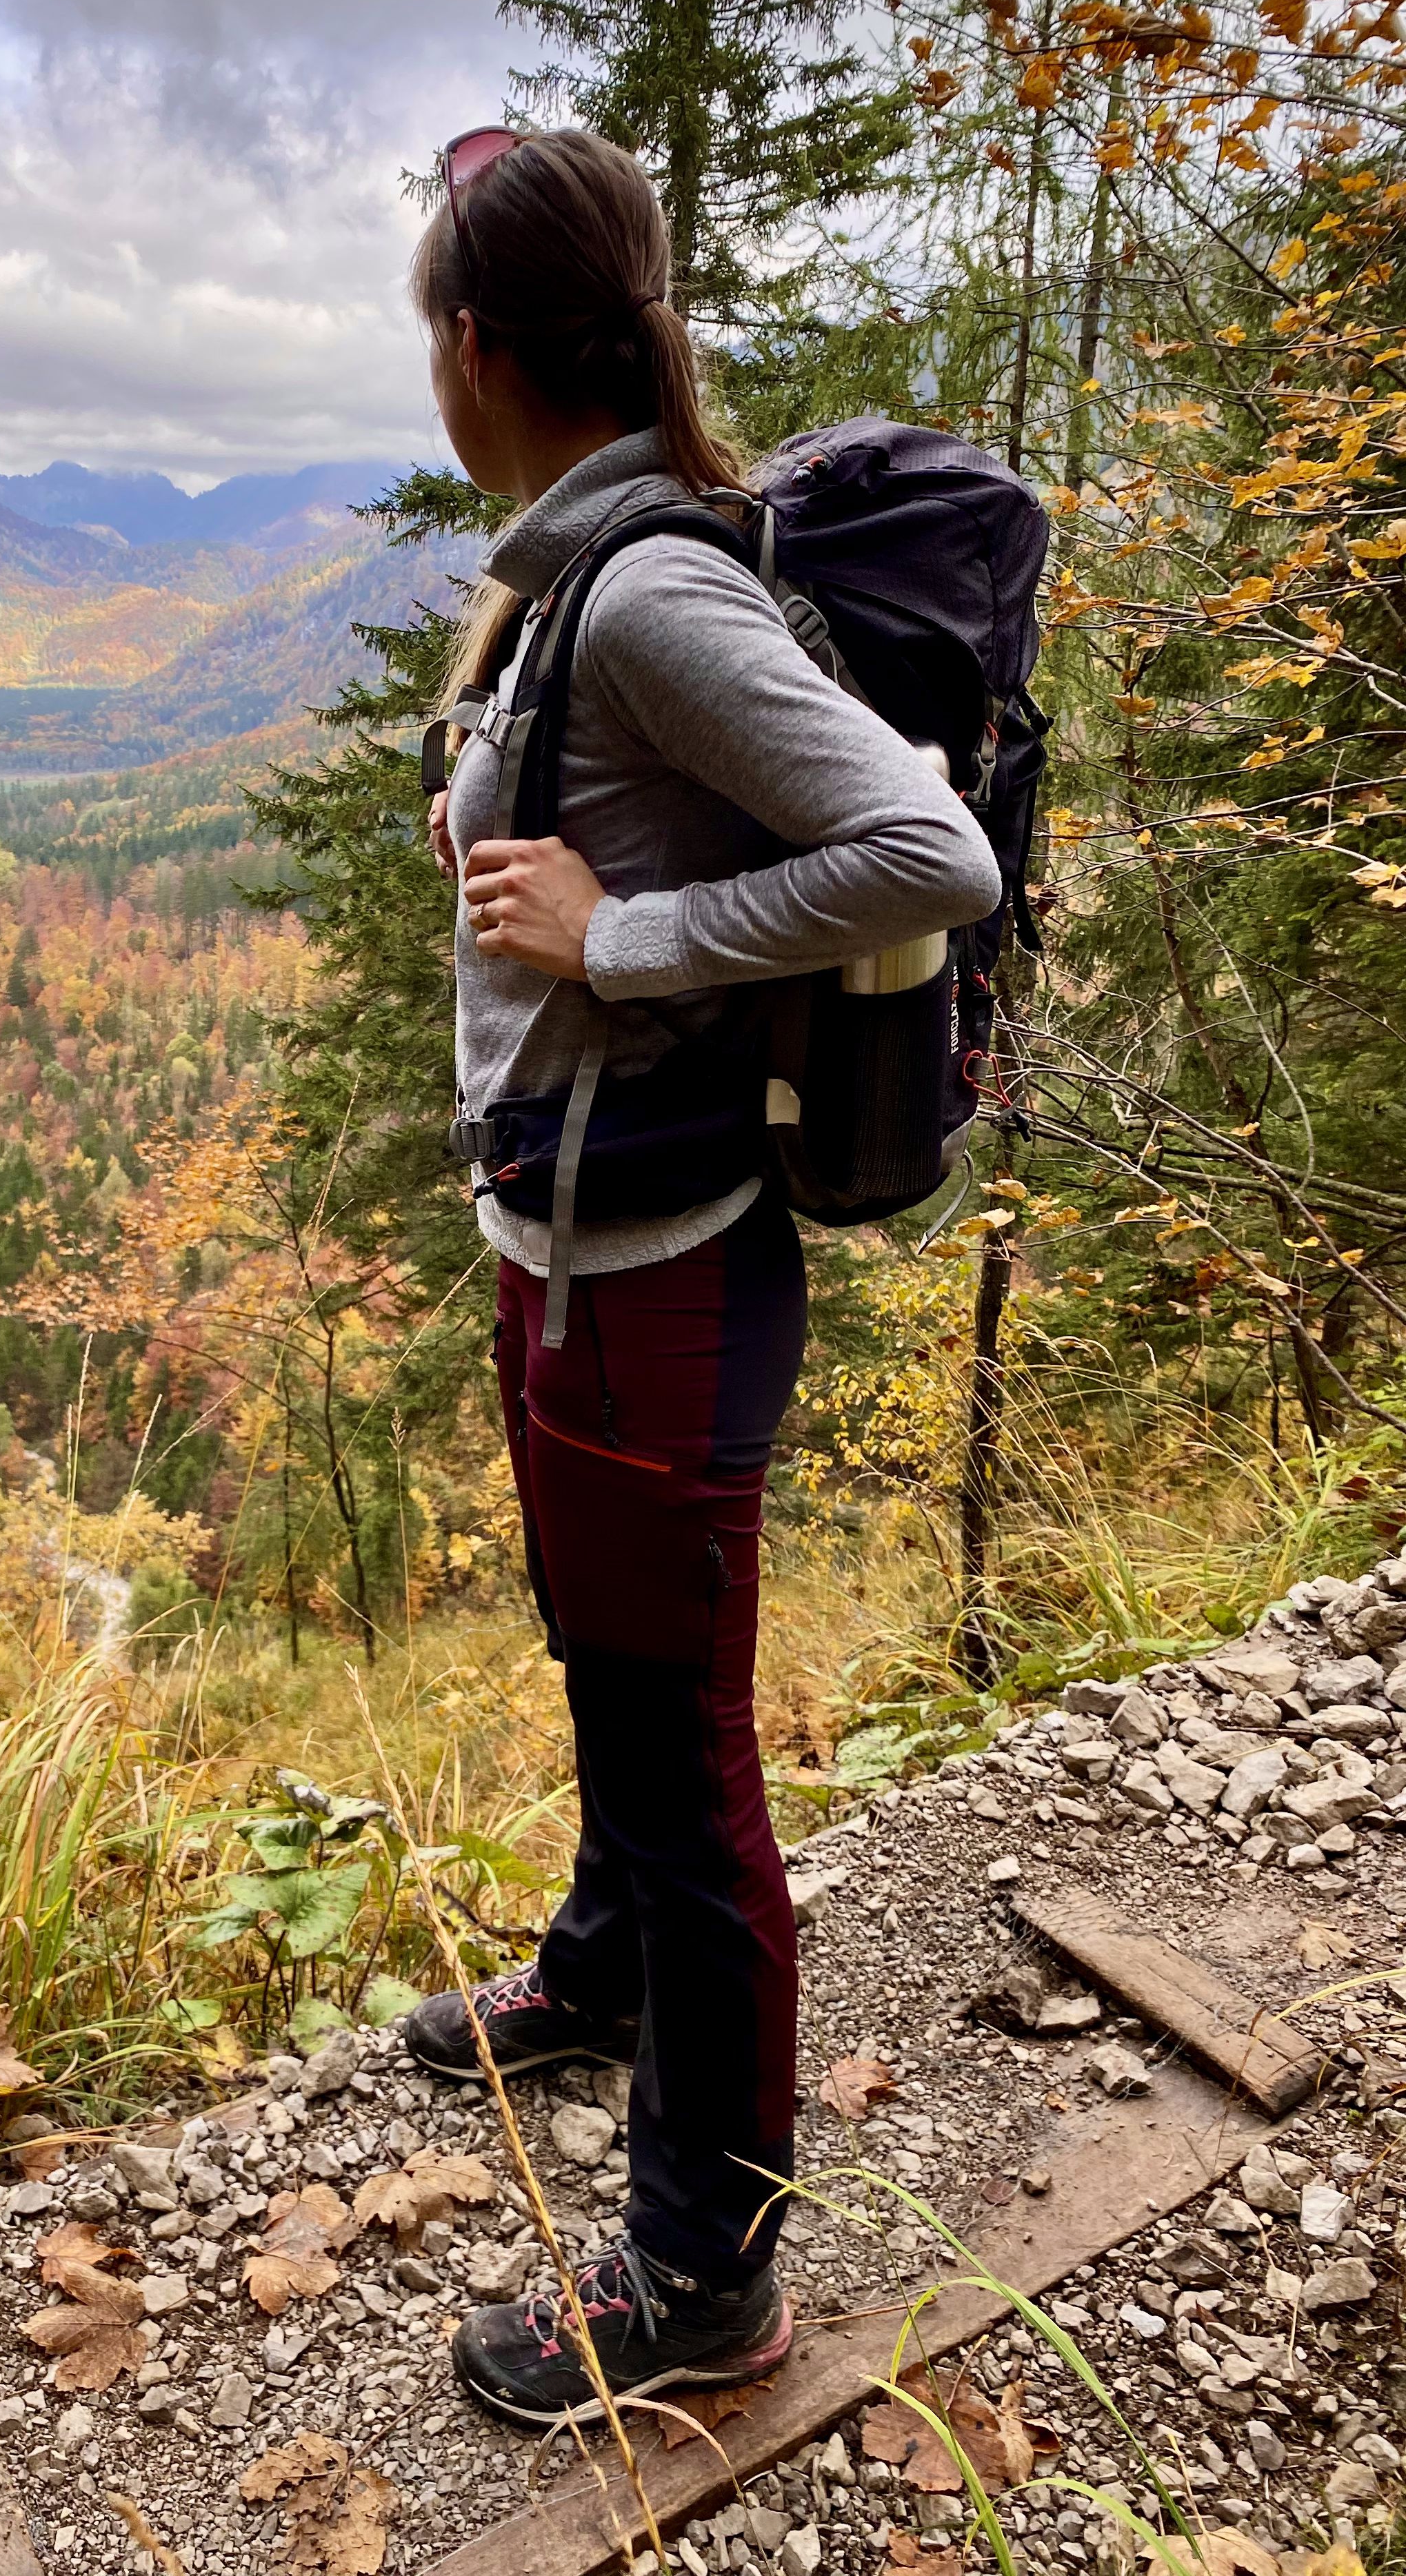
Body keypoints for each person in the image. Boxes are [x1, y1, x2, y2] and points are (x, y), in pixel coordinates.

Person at [396, 125, 1002, 2428]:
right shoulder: (571, 583)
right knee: (615, 1681)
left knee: (686, 1755)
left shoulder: (644, 592)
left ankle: (702, 2284)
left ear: (476, 351)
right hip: (577, 1248)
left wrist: (620, 931)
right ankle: (600, 1971)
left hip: (654, 1280)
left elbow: (918, 849)